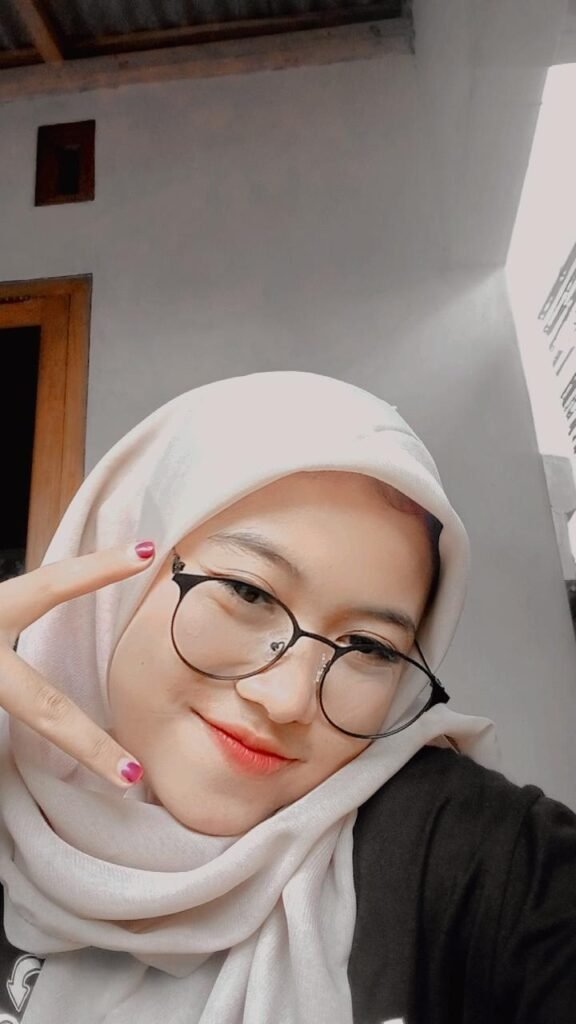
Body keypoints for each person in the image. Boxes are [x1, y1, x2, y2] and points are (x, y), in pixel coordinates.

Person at [0, 370, 573, 1024]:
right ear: (119, 574)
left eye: (369, 648)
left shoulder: (472, 854)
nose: (288, 699)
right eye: (249, 592)